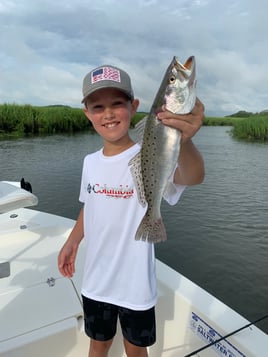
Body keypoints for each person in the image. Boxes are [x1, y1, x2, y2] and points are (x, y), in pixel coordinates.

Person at [58, 64, 205, 357]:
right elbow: (91, 203)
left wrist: (185, 142)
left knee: (136, 350)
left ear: (134, 106)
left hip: (136, 286)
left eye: (117, 104)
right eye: (98, 106)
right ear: (87, 112)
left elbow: (193, 176)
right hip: (96, 282)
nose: (108, 113)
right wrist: (72, 240)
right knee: (97, 345)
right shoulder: (90, 162)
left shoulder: (151, 150)